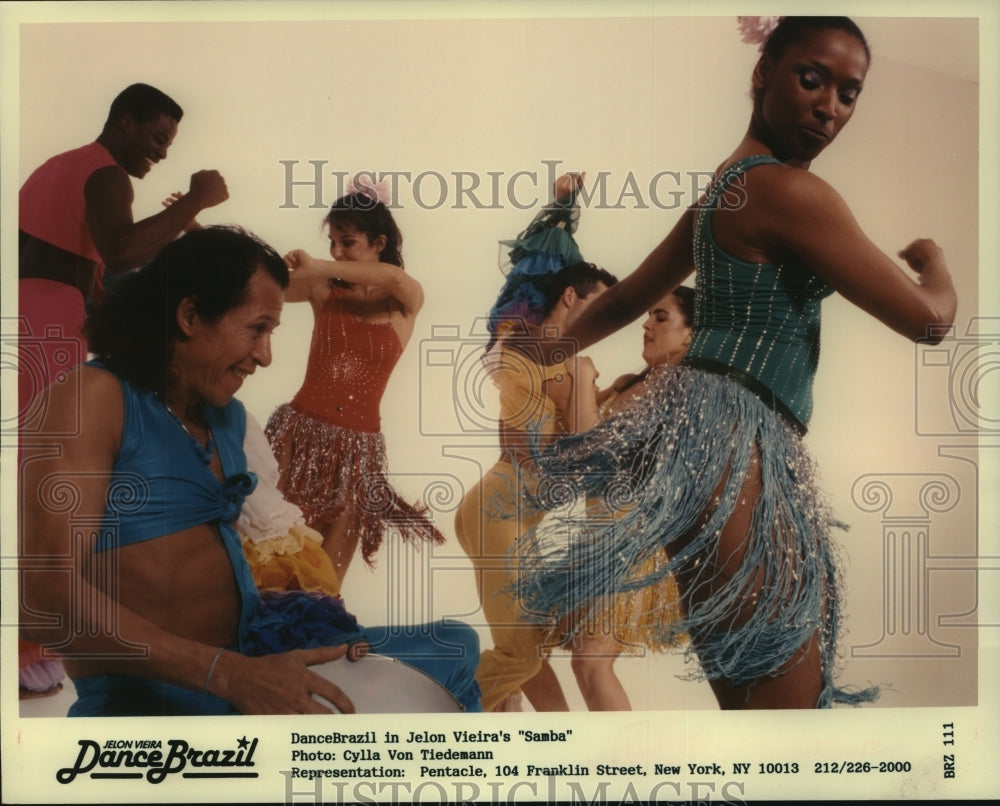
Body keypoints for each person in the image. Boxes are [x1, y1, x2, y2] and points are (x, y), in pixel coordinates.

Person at [513, 16, 957, 709]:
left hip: (706, 443)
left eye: (848, 94)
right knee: (788, 713)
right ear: (763, 72)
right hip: (737, 442)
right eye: (811, 79)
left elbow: (627, 297)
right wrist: (934, 262)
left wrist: (548, 348)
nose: (829, 107)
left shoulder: (730, 187)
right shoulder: (787, 190)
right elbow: (930, 321)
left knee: (756, 702)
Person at [18, 226, 363, 716]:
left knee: (450, 650)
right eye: (257, 328)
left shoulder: (227, 417)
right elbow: (42, 598)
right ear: (190, 316)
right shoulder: (92, 397)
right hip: (151, 709)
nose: (266, 356)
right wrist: (229, 675)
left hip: (244, 675)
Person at [454, 173, 617, 712]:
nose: (605, 321)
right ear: (569, 296)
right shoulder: (548, 356)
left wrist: (561, 208)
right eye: (598, 305)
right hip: (497, 511)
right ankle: (427, 712)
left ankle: (551, 734)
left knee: (530, 649)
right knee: (522, 654)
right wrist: (588, 380)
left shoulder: (534, 351)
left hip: (505, 514)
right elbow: (584, 450)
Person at [238, 412, 482, 711]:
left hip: (322, 637)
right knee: (460, 652)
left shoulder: (281, 522)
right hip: (286, 651)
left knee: (460, 643)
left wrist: (340, 631)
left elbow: (322, 592)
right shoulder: (224, 526)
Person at [265, 176, 443, 584]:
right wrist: (197, 231)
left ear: (379, 243)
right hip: (297, 437)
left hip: (356, 452)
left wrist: (317, 264)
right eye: (331, 242)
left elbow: (395, 279)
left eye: (347, 242)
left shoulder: (404, 302)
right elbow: (263, 286)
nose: (335, 251)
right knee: (269, 553)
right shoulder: (323, 290)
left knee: (325, 579)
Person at [18, 82, 228, 416]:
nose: (162, 154)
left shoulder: (55, 166)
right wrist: (196, 198)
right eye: (159, 139)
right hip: (49, 322)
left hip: (17, 312)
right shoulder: (107, 174)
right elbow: (122, 253)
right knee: (42, 434)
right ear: (125, 123)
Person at [567, 287, 694, 711]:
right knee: (568, 656)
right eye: (648, 316)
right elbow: (567, 433)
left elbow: (588, 449)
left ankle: (624, 750)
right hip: (596, 530)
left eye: (661, 317)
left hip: (629, 536)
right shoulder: (630, 383)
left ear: (690, 334)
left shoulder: (681, 388)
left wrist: (582, 376)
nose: (647, 324)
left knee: (592, 662)